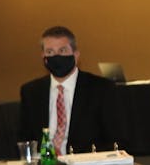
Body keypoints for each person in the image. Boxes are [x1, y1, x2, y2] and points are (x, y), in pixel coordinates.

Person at [18, 25, 124, 154]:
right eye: (50, 52)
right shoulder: (31, 92)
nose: (56, 57)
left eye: (62, 51)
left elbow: (115, 138)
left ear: (76, 55)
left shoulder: (101, 89)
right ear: (43, 57)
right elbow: (24, 138)